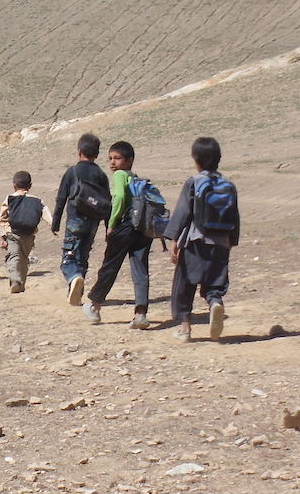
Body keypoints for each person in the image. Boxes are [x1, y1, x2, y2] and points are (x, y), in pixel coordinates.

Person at [163, 137, 240, 342]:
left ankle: (185, 328)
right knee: (214, 281)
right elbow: (235, 216)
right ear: (219, 158)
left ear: (196, 159)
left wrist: (173, 239)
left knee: (185, 283)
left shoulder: (194, 182)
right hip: (221, 243)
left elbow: (183, 212)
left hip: (195, 242)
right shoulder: (228, 185)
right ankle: (215, 302)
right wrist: (231, 242)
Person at [82, 141, 154, 328]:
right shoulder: (135, 178)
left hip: (124, 226)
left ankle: (95, 307)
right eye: (110, 159)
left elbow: (120, 198)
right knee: (140, 270)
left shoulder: (120, 175)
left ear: (129, 161)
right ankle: (140, 314)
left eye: (117, 158)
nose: (113, 162)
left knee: (110, 266)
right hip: (142, 228)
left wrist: (112, 224)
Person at [51, 133, 110, 306]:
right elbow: (107, 202)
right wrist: (108, 227)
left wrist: (55, 222)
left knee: (69, 258)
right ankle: (76, 292)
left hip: (75, 220)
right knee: (83, 257)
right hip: (93, 223)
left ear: (79, 151)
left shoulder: (72, 172)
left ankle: (74, 278)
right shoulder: (101, 175)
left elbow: (61, 198)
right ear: (97, 154)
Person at [0, 171, 52, 293]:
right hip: (29, 235)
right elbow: (45, 212)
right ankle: (20, 282)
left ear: (14, 185)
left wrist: (3, 236)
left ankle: (15, 281)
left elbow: (2, 217)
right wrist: (53, 226)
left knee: (14, 257)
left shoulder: (9, 198)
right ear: (30, 185)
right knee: (23, 259)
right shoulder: (37, 200)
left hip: (13, 234)